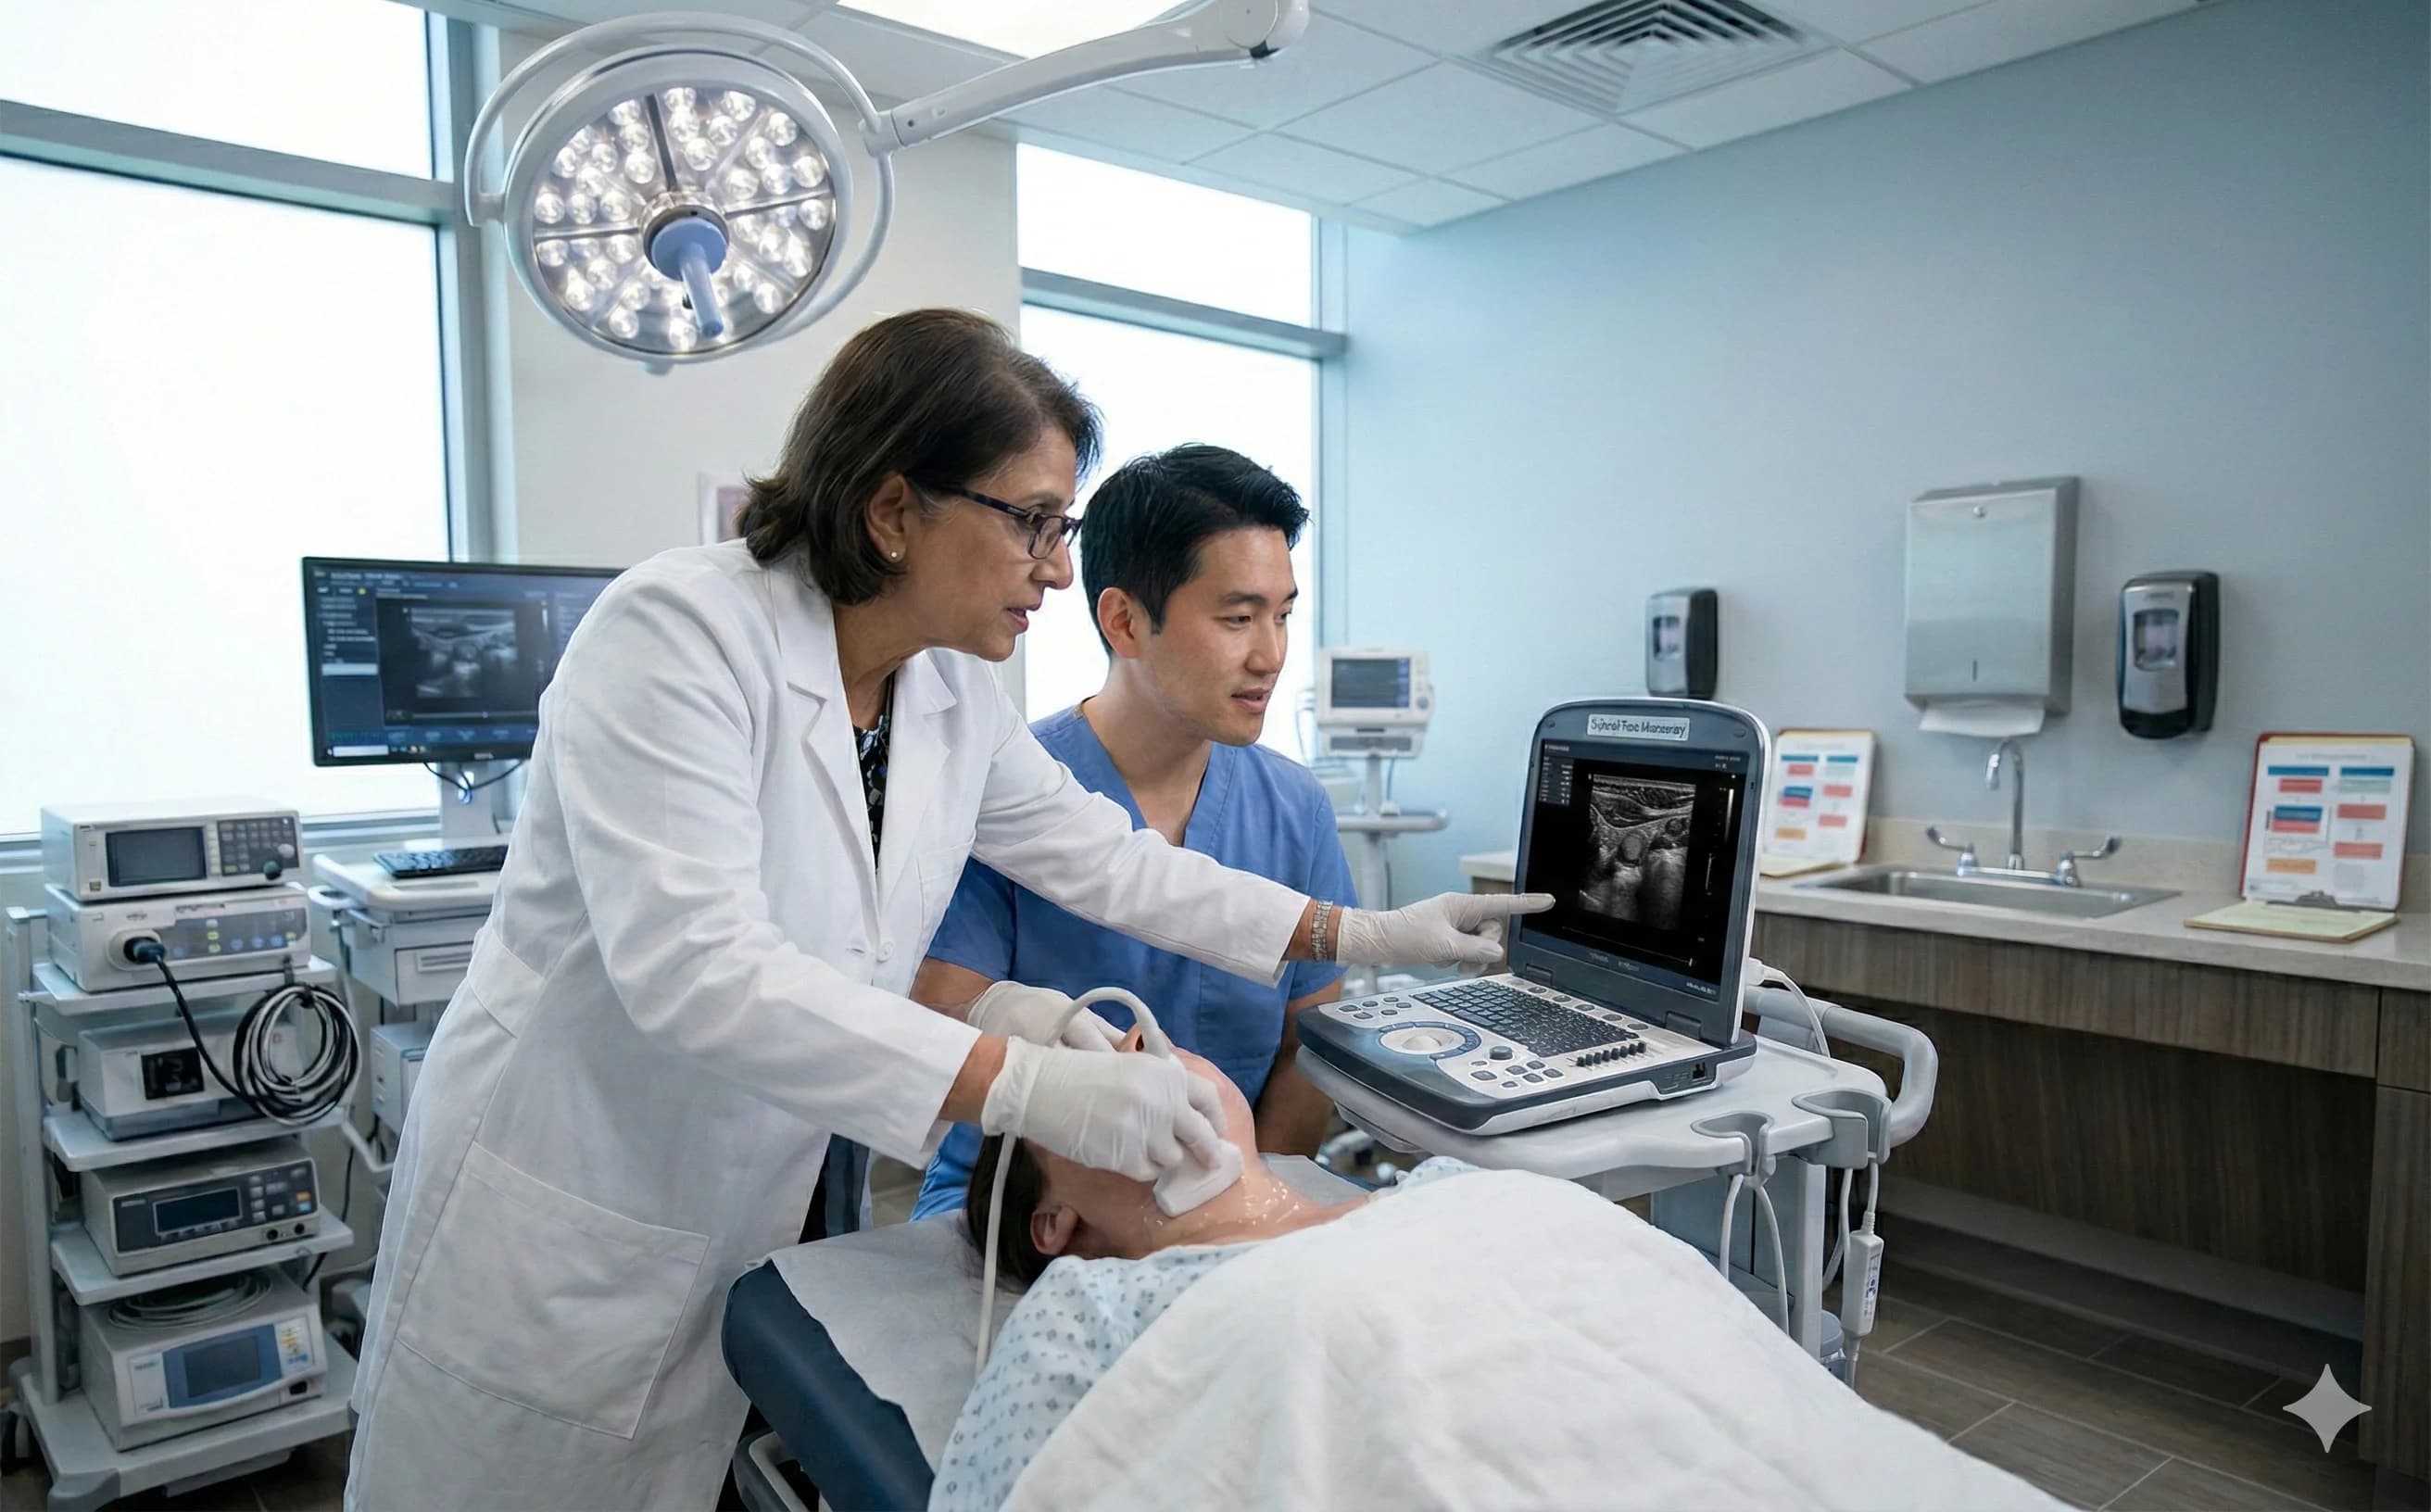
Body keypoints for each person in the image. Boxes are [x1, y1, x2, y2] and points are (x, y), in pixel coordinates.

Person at [343, 308, 1549, 1512]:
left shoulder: (948, 699)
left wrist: (1356, 933)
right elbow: (697, 971)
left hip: (730, 1201)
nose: (1060, 568)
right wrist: (1027, 1088)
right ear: (892, 509)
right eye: (1033, 522)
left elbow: (1113, 863)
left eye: (1062, 527)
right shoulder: (678, 635)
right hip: (566, 1206)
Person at [910, 444, 1354, 1221]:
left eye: (1283, 615)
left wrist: (1247, 1210)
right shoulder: (1002, 794)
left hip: (1232, 1203)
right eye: (1238, 618)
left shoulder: (1295, 808)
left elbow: (1305, 1052)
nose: (1272, 655)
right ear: (1124, 621)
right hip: (1017, 1215)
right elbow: (946, 1021)